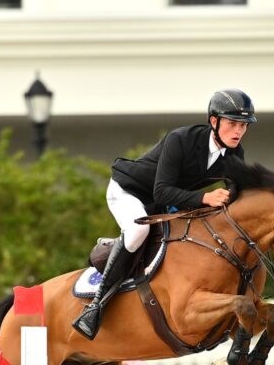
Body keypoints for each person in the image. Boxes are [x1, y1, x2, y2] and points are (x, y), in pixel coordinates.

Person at [72, 88, 257, 340]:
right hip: (129, 191)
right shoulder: (180, 139)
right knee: (139, 229)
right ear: (214, 121)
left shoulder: (235, 154)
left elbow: (238, 194)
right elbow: (161, 192)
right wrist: (205, 198)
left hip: (163, 204)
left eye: (244, 125)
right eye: (233, 123)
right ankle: (96, 306)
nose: (239, 131)